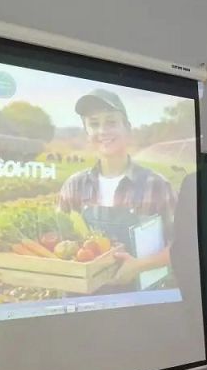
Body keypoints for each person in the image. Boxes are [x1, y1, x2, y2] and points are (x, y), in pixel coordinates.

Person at [58, 88, 177, 286]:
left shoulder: (157, 185)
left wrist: (139, 265)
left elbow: (182, 247)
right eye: (94, 124)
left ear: (127, 128)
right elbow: (58, 246)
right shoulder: (73, 186)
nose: (103, 131)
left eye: (111, 122)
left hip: (143, 300)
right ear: (87, 133)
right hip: (83, 300)